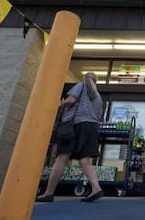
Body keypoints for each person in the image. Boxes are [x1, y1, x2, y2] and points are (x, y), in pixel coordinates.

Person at [36, 72, 104, 203]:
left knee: (62, 158)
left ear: (84, 78)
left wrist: (57, 106)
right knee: (85, 160)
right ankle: (96, 188)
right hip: (91, 127)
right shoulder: (98, 97)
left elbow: (71, 100)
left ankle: (49, 192)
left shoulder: (80, 86)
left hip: (75, 125)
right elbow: (99, 116)